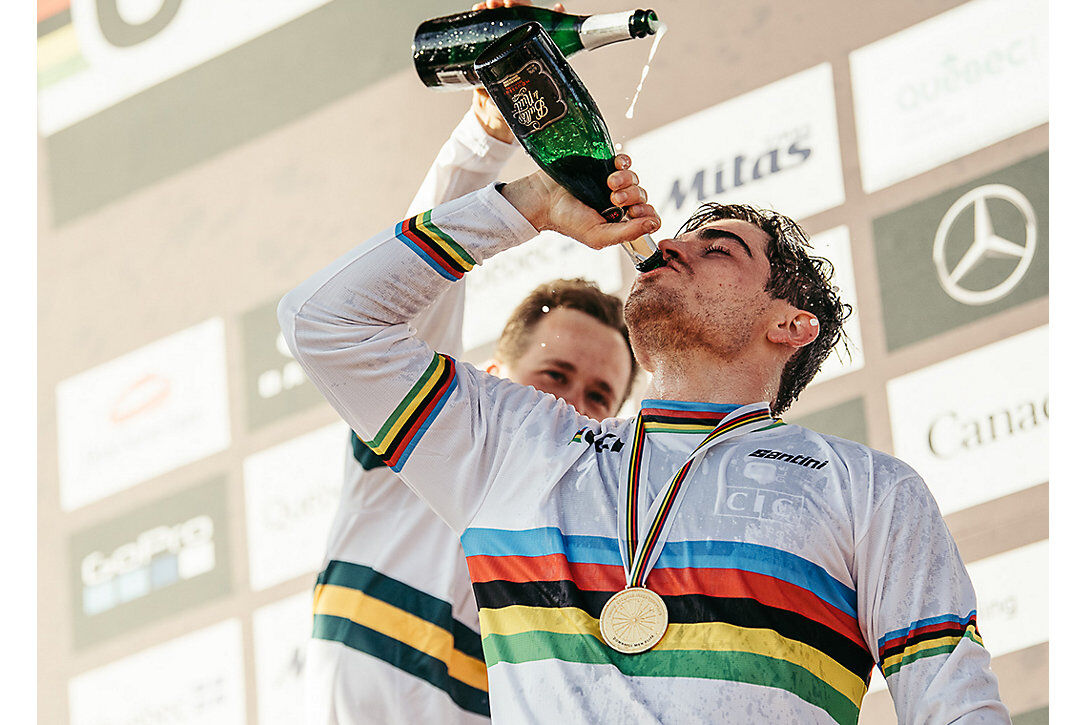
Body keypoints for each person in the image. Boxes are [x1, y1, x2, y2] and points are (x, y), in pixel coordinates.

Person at [281, 127, 1008, 722]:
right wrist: (530, 203)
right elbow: (321, 321)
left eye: (717, 249)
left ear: (790, 324)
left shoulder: (867, 486)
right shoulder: (519, 446)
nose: (668, 247)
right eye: (680, 238)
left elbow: (953, 704)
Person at [304, 46, 634, 725]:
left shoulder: (598, 582)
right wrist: (485, 135)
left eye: (598, 396)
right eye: (553, 375)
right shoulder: (404, 454)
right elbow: (402, 298)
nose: (571, 404)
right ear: (489, 380)